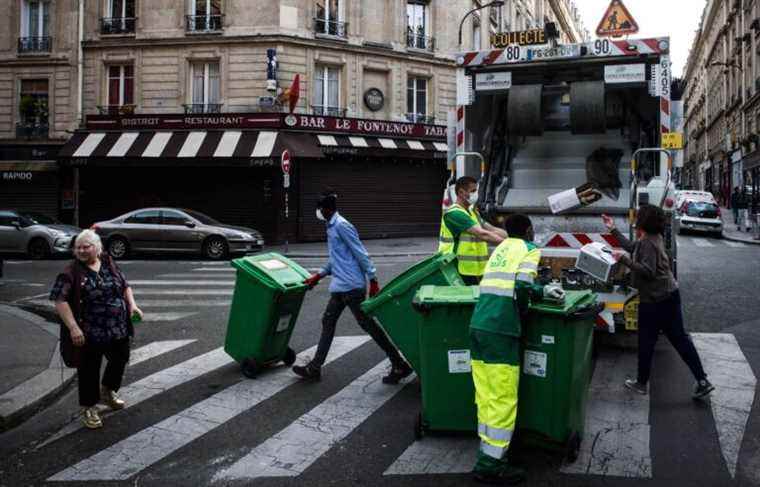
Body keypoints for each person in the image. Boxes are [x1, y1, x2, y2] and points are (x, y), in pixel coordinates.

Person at [469, 214, 565, 485]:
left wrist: (540, 290)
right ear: (529, 230)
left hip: (478, 325)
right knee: (502, 397)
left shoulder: (500, 248)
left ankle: (487, 454)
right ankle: (491, 465)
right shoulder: (530, 249)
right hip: (501, 330)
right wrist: (529, 304)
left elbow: (507, 283)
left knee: (486, 394)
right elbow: (521, 286)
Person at [292, 190, 413, 384]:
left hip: (351, 288)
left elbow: (360, 253)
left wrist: (373, 279)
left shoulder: (342, 226)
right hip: (341, 287)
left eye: (319, 208)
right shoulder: (331, 226)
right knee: (329, 322)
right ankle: (314, 368)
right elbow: (337, 259)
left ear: (325, 209)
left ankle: (399, 363)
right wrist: (318, 275)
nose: (318, 212)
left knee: (368, 326)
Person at [601, 207, 714, 398]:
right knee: (679, 339)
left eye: (639, 216)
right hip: (669, 296)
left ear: (644, 221)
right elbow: (632, 247)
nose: (636, 218)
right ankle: (702, 380)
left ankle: (641, 383)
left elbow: (647, 271)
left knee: (646, 342)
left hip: (654, 300)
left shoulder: (647, 243)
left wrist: (624, 260)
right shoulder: (653, 238)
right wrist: (612, 229)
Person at [50, 230, 143, 429]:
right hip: (89, 331)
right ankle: (89, 407)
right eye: (78, 247)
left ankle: (108, 391)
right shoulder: (71, 272)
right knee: (89, 369)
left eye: (86, 246)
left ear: (97, 247)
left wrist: (133, 305)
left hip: (117, 327)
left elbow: (125, 286)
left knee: (120, 358)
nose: (81, 250)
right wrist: (74, 328)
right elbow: (59, 300)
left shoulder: (108, 262)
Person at [438, 176, 506, 285]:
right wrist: (510, 244)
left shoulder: (472, 212)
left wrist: (513, 237)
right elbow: (482, 234)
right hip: (458, 267)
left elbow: (491, 229)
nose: (476, 194)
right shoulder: (454, 214)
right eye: (473, 191)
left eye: (476, 191)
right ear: (461, 192)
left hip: (475, 269)